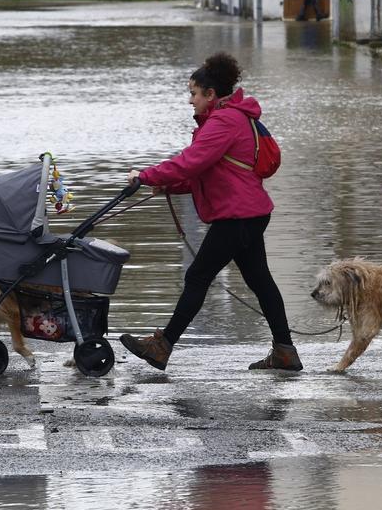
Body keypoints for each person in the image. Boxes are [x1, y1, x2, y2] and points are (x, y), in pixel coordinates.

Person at [121, 52, 301, 372]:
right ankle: (285, 352)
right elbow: (207, 175)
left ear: (211, 94)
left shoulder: (224, 121)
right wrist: (170, 187)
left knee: (198, 275)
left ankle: (161, 347)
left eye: (193, 93)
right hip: (250, 213)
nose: (190, 101)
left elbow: (190, 163)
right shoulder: (231, 119)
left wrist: (146, 175)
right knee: (261, 282)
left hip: (237, 216)